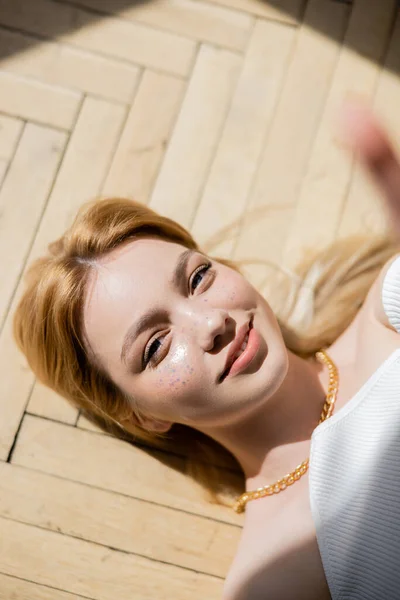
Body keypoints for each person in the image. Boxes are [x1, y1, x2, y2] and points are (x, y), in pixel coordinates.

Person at [12, 102, 400, 600]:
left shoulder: (385, 314)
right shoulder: (271, 576)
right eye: (156, 345)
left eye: (198, 278)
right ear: (141, 416)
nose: (212, 322)